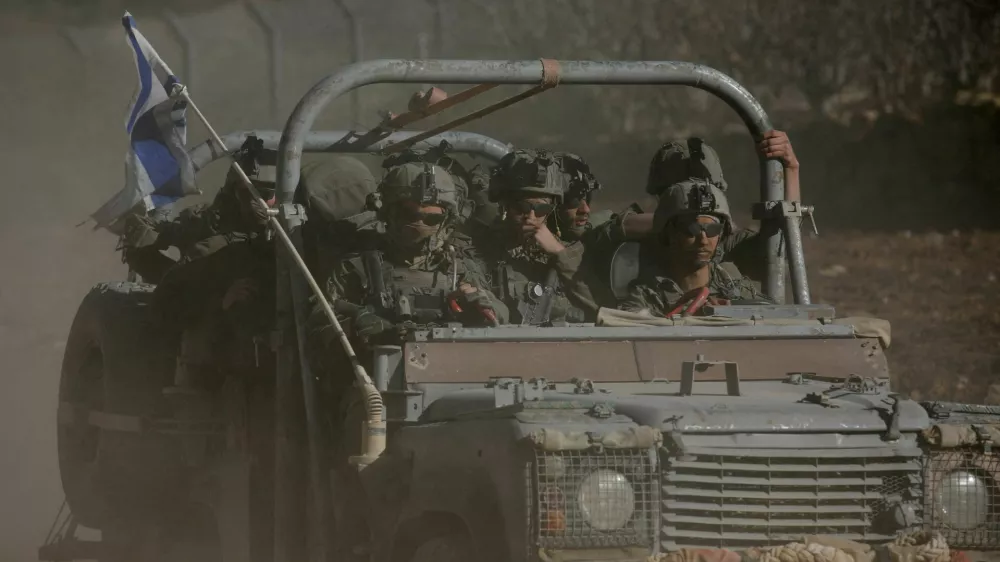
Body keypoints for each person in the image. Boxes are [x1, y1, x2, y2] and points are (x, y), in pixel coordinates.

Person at [306, 160, 504, 375]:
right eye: (410, 215)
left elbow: (501, 322)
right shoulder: (358, 267)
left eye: (432, 218)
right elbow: (318, 332)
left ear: (446, 219)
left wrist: (484, 308)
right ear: (389, 213)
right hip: (374, 385)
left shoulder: (461, 268)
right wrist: (359, 330)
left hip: (451, 380)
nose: (419, 225)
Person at [120, 135, 277, 284]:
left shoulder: (293, 230)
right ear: (233, 192)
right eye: (245, 193)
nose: (254, 202)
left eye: (265, 193)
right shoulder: (207, 224)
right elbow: (150, 240)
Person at [478, 149, 609, 324]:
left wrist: (559, 252)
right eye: (522, 208)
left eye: (541, 210)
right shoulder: (480, 250)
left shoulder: (570, 255)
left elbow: (604, 309)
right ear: (505, 206)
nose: (531, 218)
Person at [619, 178, 767, 316]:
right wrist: (690, 313)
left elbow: (771, 317)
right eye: (691, 229)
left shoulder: (734, 285)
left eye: (712, 229)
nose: (703, 240)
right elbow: (628, 324)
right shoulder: (648, 295)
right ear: (669, 233)